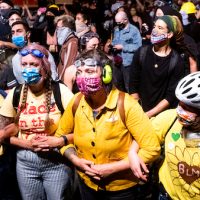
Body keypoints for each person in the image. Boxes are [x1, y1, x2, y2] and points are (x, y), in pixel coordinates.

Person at [38, 49, 160, 200]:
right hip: (87, 185)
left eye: (89, 71)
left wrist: (112, 168)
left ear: (106, 74)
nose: (82, 77)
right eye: (80, 72)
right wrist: (77, 161)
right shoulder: (76, 101)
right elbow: (60, 137)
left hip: (122, 189)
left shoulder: (127, 104)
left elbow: (152, 148)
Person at [0, 43, 74, 200]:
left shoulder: (60, 91)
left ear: (45, 67)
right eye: (24, 64)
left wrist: (58, 141)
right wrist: (27, 144)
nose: (28, 69)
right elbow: (4, 134)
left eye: (33, 64)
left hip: (57, 161)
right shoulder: (16, 93)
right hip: (25, 163)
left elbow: (82, 130)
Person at [129, 71, 200, 200]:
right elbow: (144, 133)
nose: (179, 110)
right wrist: (133, 152)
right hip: (164, 194)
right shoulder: (171, 118)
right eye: (180, 104)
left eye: (187, 108)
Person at [131, 15, 185, 118]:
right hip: (139, 112)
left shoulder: (177, 61)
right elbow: (133, 84)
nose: (154, 31)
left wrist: (149, 115)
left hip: (161, 117)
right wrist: (137, 111)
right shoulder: (141, 52)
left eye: (160, 28)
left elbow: (171, 96)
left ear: (169, 34)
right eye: (154, 26)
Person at [111, 11, 142, 94]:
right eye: (116, 23)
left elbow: (139, 46)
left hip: (128, 63)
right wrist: (112, 45)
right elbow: (115, 41)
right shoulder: (117, 29)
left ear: (125, 20)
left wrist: (123, 47)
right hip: (117, 62)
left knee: (129, 86)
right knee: (118, 85)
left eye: (119, 22)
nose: (118, 24)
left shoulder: (134, 30)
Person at [55, 14, 78, 85]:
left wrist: (61, 83)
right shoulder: (67, 41)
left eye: (59, 28)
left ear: (67, 29)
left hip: (64, 82)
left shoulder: (72, 42)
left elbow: (68, 65)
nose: (57, 31)